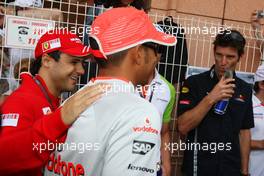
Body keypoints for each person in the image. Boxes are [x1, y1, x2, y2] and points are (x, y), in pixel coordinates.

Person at [44, 7, 177, 176]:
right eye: (156, 48)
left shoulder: (76, 99)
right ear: (138, 53)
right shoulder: (140, 113)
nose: (157, 56)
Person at [0, 29, 106, 176]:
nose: (81, 70)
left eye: (81, 63)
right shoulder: (21, 100)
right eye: (74, 62)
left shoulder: (48, 98)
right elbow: (4, 159)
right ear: (47, 61)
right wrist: (59, 119)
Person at [177, 30, 254, 176]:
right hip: (198, 168)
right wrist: (211, 97)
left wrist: (244, 171)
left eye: (230, 57)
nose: (223, 62)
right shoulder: (194, 83)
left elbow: (244, 132)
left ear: (240, 57)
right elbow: (182, 126)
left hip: (230, 169)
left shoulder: (245, 89)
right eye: (219, 55)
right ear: (214, 52)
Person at [140, 68, 176, 176]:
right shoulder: (123, 84)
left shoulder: (168, 88)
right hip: (123, 161)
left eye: (158, 51)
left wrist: (167, 165)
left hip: (152, 164)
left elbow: (164, 132)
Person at [249, 64, 264, 176]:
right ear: (262, 84)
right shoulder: (248, 105)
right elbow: (233, 139)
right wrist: (260, 144)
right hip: (251, 170)